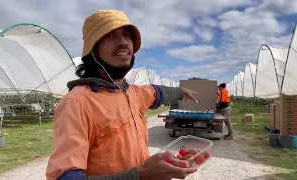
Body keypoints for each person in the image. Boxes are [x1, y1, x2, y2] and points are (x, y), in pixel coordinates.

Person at [46, 10, 199, 180]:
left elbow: (158, 92)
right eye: (111, 36)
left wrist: (182, 92)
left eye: (127, 35)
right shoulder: (77, 103)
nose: (123, 42)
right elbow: (66, 177)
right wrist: (141, 175)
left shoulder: (133, 93)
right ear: (93, 50)